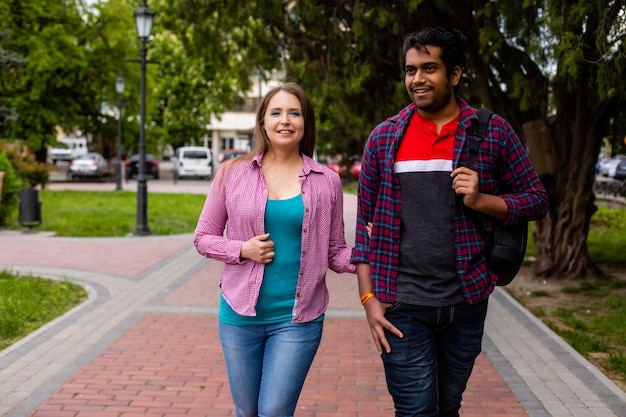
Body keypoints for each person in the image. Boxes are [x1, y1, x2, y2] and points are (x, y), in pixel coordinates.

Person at [351, 27, 549, 417]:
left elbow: (537, 200)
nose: (417, 79)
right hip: (402, 303)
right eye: (410, 70)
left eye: (429, 68)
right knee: (416, 410)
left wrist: (482, 200)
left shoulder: (491, 132)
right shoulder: (384, 138)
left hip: (467, 301)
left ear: (455, 74)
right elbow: (364, 228)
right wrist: (369, 300)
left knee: (448, 407)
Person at [194, 82, 356, 417]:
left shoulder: (327, 181)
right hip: (239, 314)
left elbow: (336, 252)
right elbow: (203, 237)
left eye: (294, 113)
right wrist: (242, 249)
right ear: (263, 122)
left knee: (274, 411)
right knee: (246, 412)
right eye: (277, 112)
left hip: (298, 319)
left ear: (305, 123)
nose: (286, 120)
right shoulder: (232, 174)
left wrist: (373, 256)